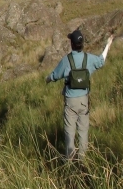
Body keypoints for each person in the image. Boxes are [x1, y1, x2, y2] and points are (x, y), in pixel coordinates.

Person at [45, 30, 114, 159]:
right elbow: (102, 60)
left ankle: (70, 164)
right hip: (84, 101)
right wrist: (108, 45)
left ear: (72, 43)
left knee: (69, 134)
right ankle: (83, 162)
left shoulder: (67, 60)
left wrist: (47, 79)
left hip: (70, 102)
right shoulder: (89, 59)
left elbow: (54, 76)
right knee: (83, 132)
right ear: (82, 44)